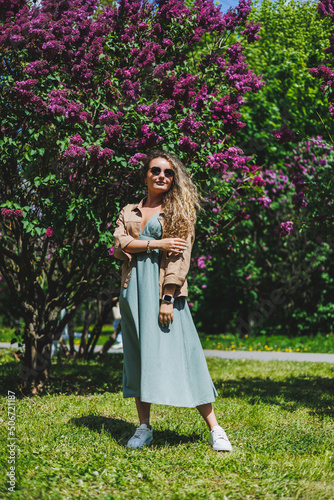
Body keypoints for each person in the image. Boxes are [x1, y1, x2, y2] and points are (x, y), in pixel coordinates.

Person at [113, 150, 232, 452]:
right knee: (139, 359)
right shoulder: (129, 211)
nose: (161, 176)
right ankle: (143, 427)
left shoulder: (179, 210)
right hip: (132, 293)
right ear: (146, 175)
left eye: (167, 173)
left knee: (186, 355)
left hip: (163, 294)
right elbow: (119, 245)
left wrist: (168, 297)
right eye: (155, 171)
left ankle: (215, 429)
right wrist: (157, 243)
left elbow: (179, 259)